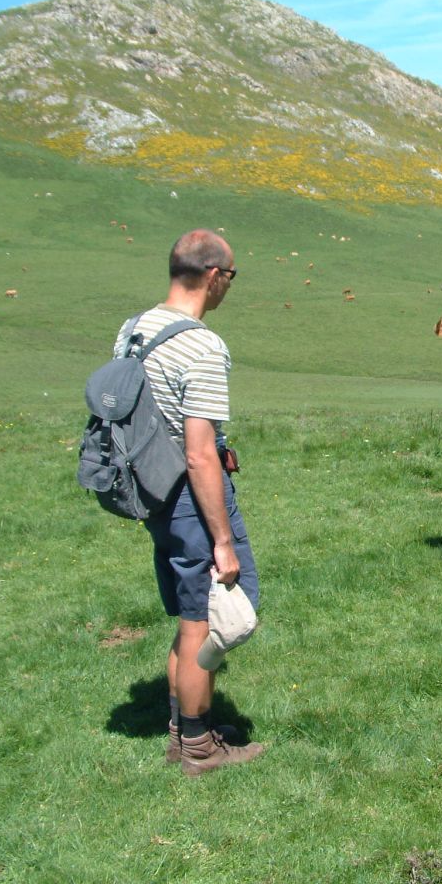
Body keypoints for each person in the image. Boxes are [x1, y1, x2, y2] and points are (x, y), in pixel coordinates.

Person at [113, 229, 264, 776]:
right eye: (231, 276)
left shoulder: (134, 329)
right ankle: (198, 748)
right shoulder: (201, 346)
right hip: (188, 494)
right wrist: (222, 540)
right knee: (209, 617)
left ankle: (184, 728)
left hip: (149, 488)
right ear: (214, 276)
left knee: (188, 613)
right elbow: (200, 455)